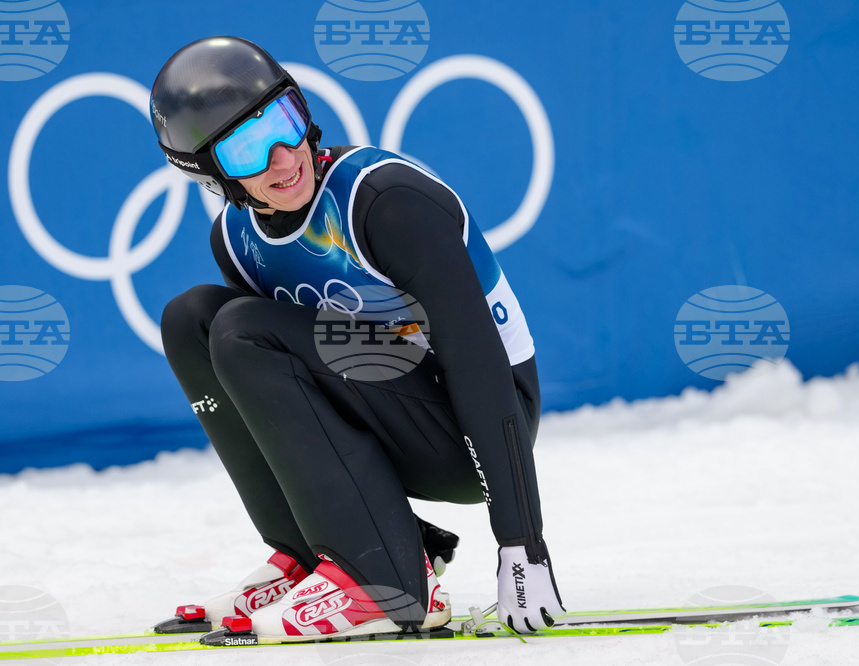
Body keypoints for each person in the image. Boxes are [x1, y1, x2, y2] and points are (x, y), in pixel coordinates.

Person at [151, 36, 565, 641]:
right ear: (210, 173)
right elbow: (290, 397)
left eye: (285, 123)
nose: (283, 158)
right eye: (246, 150)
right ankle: (316, 553)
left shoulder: (384, 202)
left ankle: (383, 584)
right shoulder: (237, 239)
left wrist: (521, 539)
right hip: (386, 408)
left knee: (245, 329)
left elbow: (479, 362)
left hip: (477, 423)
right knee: (193, 320)